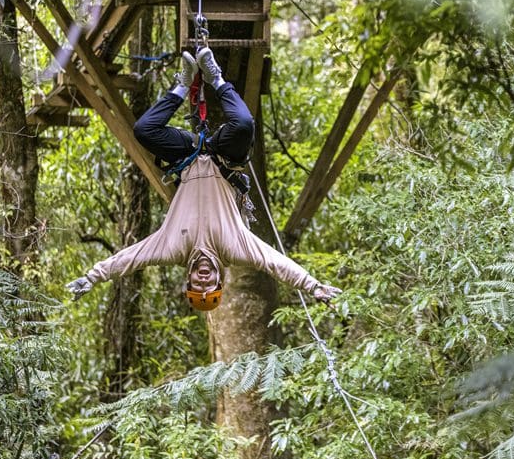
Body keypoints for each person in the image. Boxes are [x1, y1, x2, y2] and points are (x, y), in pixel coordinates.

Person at [66, 46, 341, 310]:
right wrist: (312, 286)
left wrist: (93, 277)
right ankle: (217, 79)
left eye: (198, 285)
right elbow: (274, 262)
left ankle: (183, 84)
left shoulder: (171, 248)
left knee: (144, 130)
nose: (204, 279)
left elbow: (130, 258)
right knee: (244, 125)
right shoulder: (234, 247)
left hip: (186, 157)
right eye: (210, 284)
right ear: (220, 279)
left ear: (188, 279)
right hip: (224, 159)